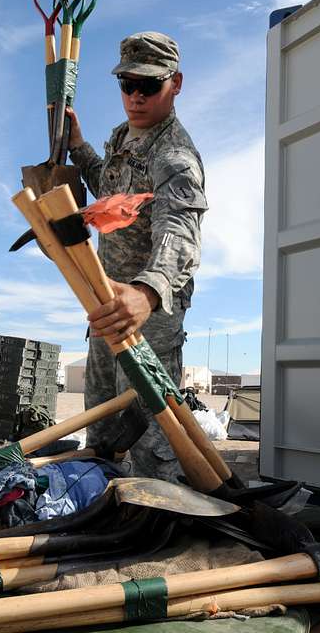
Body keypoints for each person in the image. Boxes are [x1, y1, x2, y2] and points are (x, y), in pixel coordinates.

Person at [67, 31, 208, 481]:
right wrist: (77, 146)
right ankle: (100, 508)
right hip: (107, 303)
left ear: (176, 83)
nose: (135, 96)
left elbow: (180, 230)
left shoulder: (176, 156)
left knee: (152, 437)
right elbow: (109, 188)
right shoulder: (121, 138)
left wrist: (146, 292)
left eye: (149, 86)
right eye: (127, 84)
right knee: (102, 424)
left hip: (149, 312)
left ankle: (158, 523)